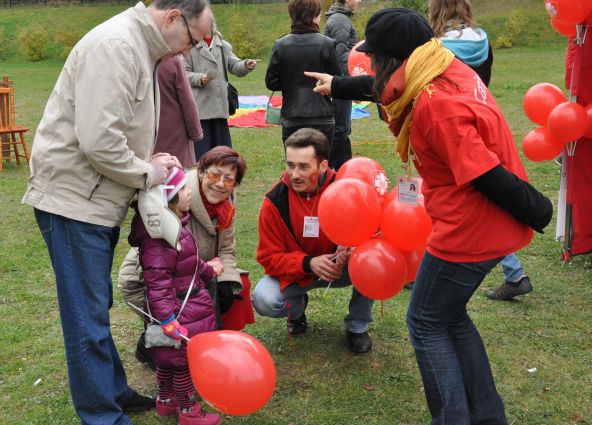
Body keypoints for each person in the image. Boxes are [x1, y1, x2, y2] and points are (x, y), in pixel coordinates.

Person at [306, 7, 552, 423]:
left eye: (375, 58)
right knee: (448, 316)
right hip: (480, 224)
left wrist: (538, 209)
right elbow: (388, 87)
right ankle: (488, 416)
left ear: (390, 60)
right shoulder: (440, 65)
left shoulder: (434, 106)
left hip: (469, 231)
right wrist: (341, 85)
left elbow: (485, 174)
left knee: (424, 323)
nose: (372, 64)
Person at [20, 0, 213, 422]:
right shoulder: (117, 46)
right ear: (173, 18)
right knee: (85, 315)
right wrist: (148, 171)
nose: (187, 52)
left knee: (95, 305)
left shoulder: (138, 46)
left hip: (93, 201)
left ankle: (112, 391)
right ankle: (101, 414)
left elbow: (116, 131)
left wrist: (148, 158)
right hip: (75, 204)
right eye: (192, 41)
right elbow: (99, 141)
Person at [427, 0, 533, 300]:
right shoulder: (482, 39)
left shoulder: (435, 48)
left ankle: (512, 273)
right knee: (488, 196)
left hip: (454, 130)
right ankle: (514, 273)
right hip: (484, 122)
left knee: (455, 197)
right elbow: (482, 84)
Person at [118, 146, 253, 369]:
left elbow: (227, 250)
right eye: (214, 175)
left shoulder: (225, 207)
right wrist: (207, 273)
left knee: (233, 288)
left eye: (229, 179)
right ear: (201, 171)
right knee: (177, 359)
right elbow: (159, 269)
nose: (220, 184)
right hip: (151, 281)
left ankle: (211, 341)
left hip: (191, 274)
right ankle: (154, 343)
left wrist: (224, 278)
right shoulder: (176, 199)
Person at [252, 128, 375, 354]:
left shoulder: (347, 189)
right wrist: (308, 263)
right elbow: (269, 258)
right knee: (264, 299)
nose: (294, 174)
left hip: (344, 269)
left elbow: (375, 232)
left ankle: (358, 325)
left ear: (323, 166)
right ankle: (297, 312)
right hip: (301, 272)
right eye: (290, 165)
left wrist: (354, 247)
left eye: (303, 166)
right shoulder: (274, 201)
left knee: (374, 265)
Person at [129, 168, 222, 424]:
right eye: (183, 189)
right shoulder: (160, 240)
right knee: (182, 363)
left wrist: (207, 270)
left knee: (167, 360)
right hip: (180, 311)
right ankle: (188, 410)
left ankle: (166, 401)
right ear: (167, 198)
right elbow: (157, 283)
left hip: (181, 306)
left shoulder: (175, 228)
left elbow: (188, 264)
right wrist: (168, 319)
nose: (189, 191)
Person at [265, 0, 342, 147]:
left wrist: (291, 83)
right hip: (322, 114)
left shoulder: (281, 44)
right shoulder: (327, 43)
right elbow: (337, 81)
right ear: (314, 16)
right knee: (321, 163)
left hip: (293, 114)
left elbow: (271, 82)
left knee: (295, 164)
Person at [185, 21, 258, 161]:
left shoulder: (223, 46)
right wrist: (200, 78)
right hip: (201, 109)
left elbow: (235, 66)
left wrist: (246, 65)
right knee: (202, 152)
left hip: (220, 107)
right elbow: (184, 73)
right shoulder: (189, 47)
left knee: (222, 153)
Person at [323, 0, 362, 169]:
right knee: (341, 127)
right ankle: (335, 168)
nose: (359, 0)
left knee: (343, 127)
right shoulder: (340, 20)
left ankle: (345, 164)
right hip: (341, 80)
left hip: (340, 80)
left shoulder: (340, 17)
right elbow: (341, 54)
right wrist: (350, 83)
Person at [155, 56, 204, 169]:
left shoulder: (134, 56)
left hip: (144, 134)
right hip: (173, 133)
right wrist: (196, 132)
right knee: (176, 178)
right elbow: (187, 100)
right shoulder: (172, 60)